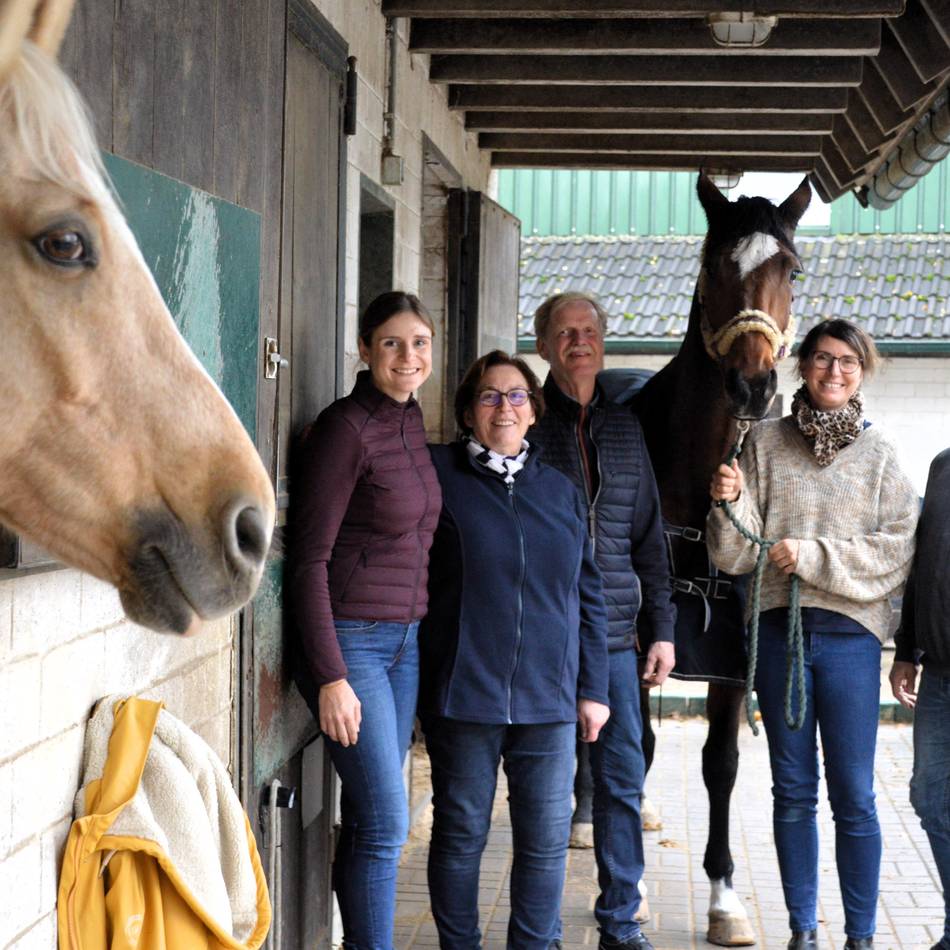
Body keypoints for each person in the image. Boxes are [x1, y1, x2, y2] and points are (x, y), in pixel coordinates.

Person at [707, 318, 919, 950]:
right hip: (778, 632)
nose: (834, 371)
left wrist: (816, 556)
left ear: (863, 371)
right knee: (792, 790)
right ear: (802, 366)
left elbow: (898, 547)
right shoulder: (764, 443)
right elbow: (734, 554)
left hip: (851, 639)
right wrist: (731, 501)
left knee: (853, 793)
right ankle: (803, 929)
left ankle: (859, 935)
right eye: (823, 359)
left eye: (847, 362)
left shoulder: (880, 454)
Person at [420, 350, 611, 950]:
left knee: (546, 839)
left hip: (549, 700)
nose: (504, 407)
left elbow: (589, 595)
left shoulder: (560, 491)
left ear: (534, 411)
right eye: (489, 396)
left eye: (516, 396)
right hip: (464, 695)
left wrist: (594, 689)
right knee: (460, 832)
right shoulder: (437, 477)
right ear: (467, 412)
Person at [289, 291, 442, 950]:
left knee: (371, 819)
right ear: (364, 349)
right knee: (386, 825)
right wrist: (329, 675)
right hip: (354, 644)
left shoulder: (407, 421)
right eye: (391, 344)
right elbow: (308, 560)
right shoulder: (345, 429)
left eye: (419, 344)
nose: (407, 358)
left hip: (403, 643)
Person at [529, 292, 676, 950]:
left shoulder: (626, 429)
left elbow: (650, 539)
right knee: (542, 790)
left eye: (588, 331)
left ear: (604, 343)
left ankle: (620, 919)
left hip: (617, 640)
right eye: (564, 332)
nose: (578, 342)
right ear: (543, 346)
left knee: (620, 784)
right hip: (539, 639)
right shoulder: (524, 422)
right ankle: (540, 928)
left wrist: (663, 629)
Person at [889, 448, 950, 950]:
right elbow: (921, 564)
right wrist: (907, 649)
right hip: (940, 675)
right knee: (929, 797)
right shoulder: (943, 465)